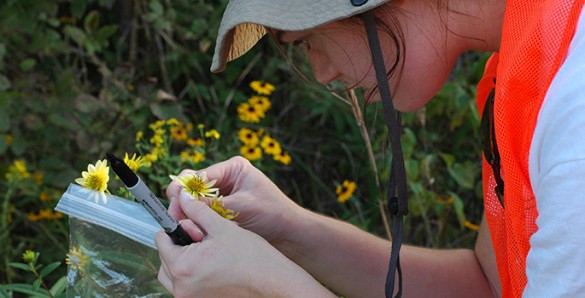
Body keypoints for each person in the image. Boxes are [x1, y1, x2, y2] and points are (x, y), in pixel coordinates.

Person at [155, 0, 585, 296]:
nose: (321, 73)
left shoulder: (573, 115)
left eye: (303, 41)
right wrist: (293, 231)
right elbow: (490, 286)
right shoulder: (535, 67)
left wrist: (265, 289)